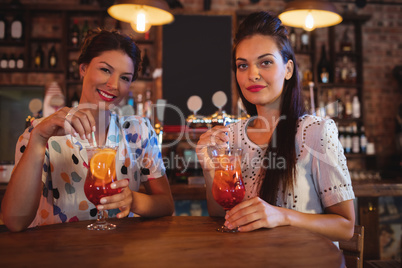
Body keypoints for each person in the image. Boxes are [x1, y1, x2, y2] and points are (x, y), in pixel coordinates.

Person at [196, 11, 355, 241]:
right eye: (242, 66)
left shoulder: (315, 131)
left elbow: (345, 227)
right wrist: (209, 167)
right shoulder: (231, 136)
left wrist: (283, 216)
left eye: (266, 62)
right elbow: (219, 213)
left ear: (288, 69)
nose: (253, 74)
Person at [2, 29, 174, 232]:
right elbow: (14, 221)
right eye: (105, 70)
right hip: (57, 256)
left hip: (120, 255)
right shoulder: (41, 132)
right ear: (83, 68)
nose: (113, 85)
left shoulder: (139, 131)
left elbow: (166, 204)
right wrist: (39, 139)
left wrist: (134, 200)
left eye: (125, 78)